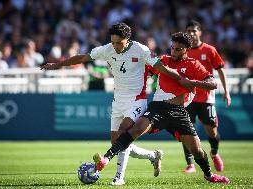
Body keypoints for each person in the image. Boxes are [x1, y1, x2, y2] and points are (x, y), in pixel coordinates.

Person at [40, 22, 188, 185]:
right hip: (118, 102)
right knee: (118, 142)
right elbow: (82, 58)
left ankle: (119, 177)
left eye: (119, 43)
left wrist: (183, 80)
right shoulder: (107, 49)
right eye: (113, 42)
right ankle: (153, 156)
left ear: (127, 39)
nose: (116, 46)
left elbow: (162, 68)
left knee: (124, 131)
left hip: (137, 100)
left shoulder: (141, 50)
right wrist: (57, 65)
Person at [93, 32, 230, 184]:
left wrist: (191, 82)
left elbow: (213, 84)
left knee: (196, 150)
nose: (173, 51)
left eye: (178, 49)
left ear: (187, 49)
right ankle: (106, 158)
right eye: (172, 47)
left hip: (178, 113)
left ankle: (209, 175)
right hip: (158, 108)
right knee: (136, 129)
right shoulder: (163, 61)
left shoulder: (193, 65)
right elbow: (142, 71)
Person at [182, 20, 231, 173]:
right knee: (185, 130)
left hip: (206, 97)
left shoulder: (209, 50)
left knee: (212, 130)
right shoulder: (183, 50)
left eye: (194, 31)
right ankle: (190, 164)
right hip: (188, 98)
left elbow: (220, 70)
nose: (191, 33)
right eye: (188, 31)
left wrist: (226, 91)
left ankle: (214, 153)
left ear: (200, 32)